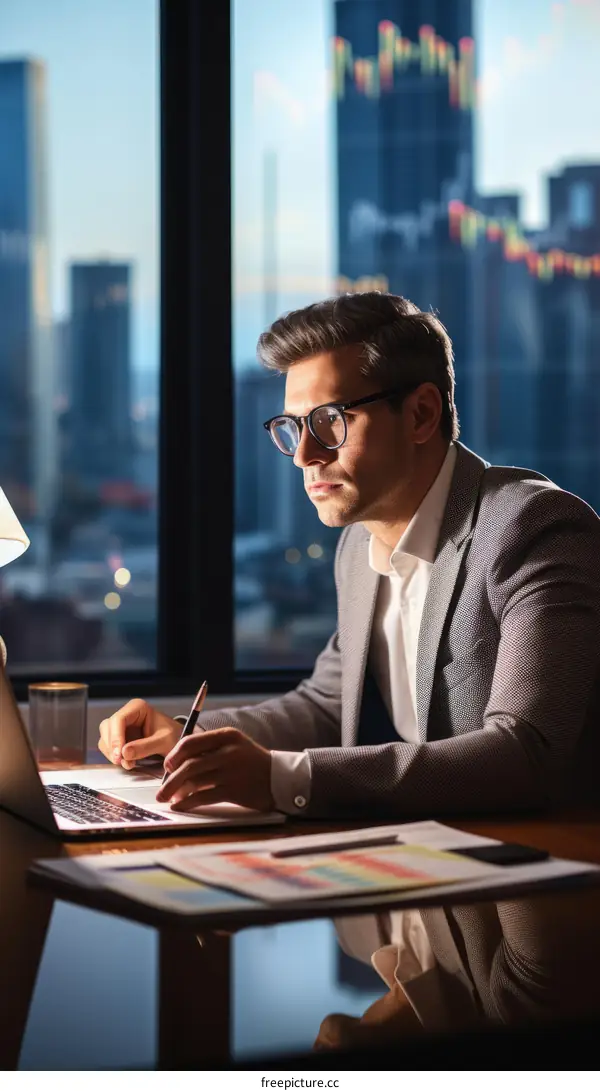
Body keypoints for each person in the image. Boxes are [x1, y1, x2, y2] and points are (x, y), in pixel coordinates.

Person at [98, 292, 600, 818]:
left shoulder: (533, 529)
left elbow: (526, 753)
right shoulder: (358, 545)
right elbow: (328, 705)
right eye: (294, 426)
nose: (303, 455)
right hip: (438, 846)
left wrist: (281, 778)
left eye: (330, 420)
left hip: (549, 855)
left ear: (421, 414)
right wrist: (188, 738)